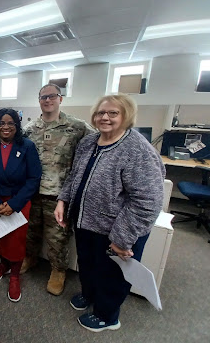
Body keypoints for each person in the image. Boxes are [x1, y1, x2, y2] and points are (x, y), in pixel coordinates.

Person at [55, 94, 165, 332]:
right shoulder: (89, 143)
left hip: (117, 231)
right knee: (89, 265)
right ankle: (90, 295)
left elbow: (148, 201)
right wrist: (63, 200)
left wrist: (122, 238)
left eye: (113, 113)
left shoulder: (137, 150)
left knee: (112, 275)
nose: (105, 117)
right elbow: (74, 177)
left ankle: (107, 316)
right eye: (100, 113)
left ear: (126, 116)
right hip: (86, 223)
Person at [22, 83, 94, 295]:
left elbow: (99, 142)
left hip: (60, 195)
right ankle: (30, 258)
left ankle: (58, 270)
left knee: (58, 237)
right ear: (39, 101)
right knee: (30, 231)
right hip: (33, 192)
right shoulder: (29, 129)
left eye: (52, 96)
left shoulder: (77, 126)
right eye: (43, 97)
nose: (47, 100)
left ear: (60, 99)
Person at [0, 108, 41, 302]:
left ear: (17, 125)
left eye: (10, 123)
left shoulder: (27, 146)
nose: (5, 127)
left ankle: (14, 274)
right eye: (1, 123)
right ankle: (3, 264)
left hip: (19, 203)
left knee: (16, 241)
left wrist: (14, 203)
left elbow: (34, 178)